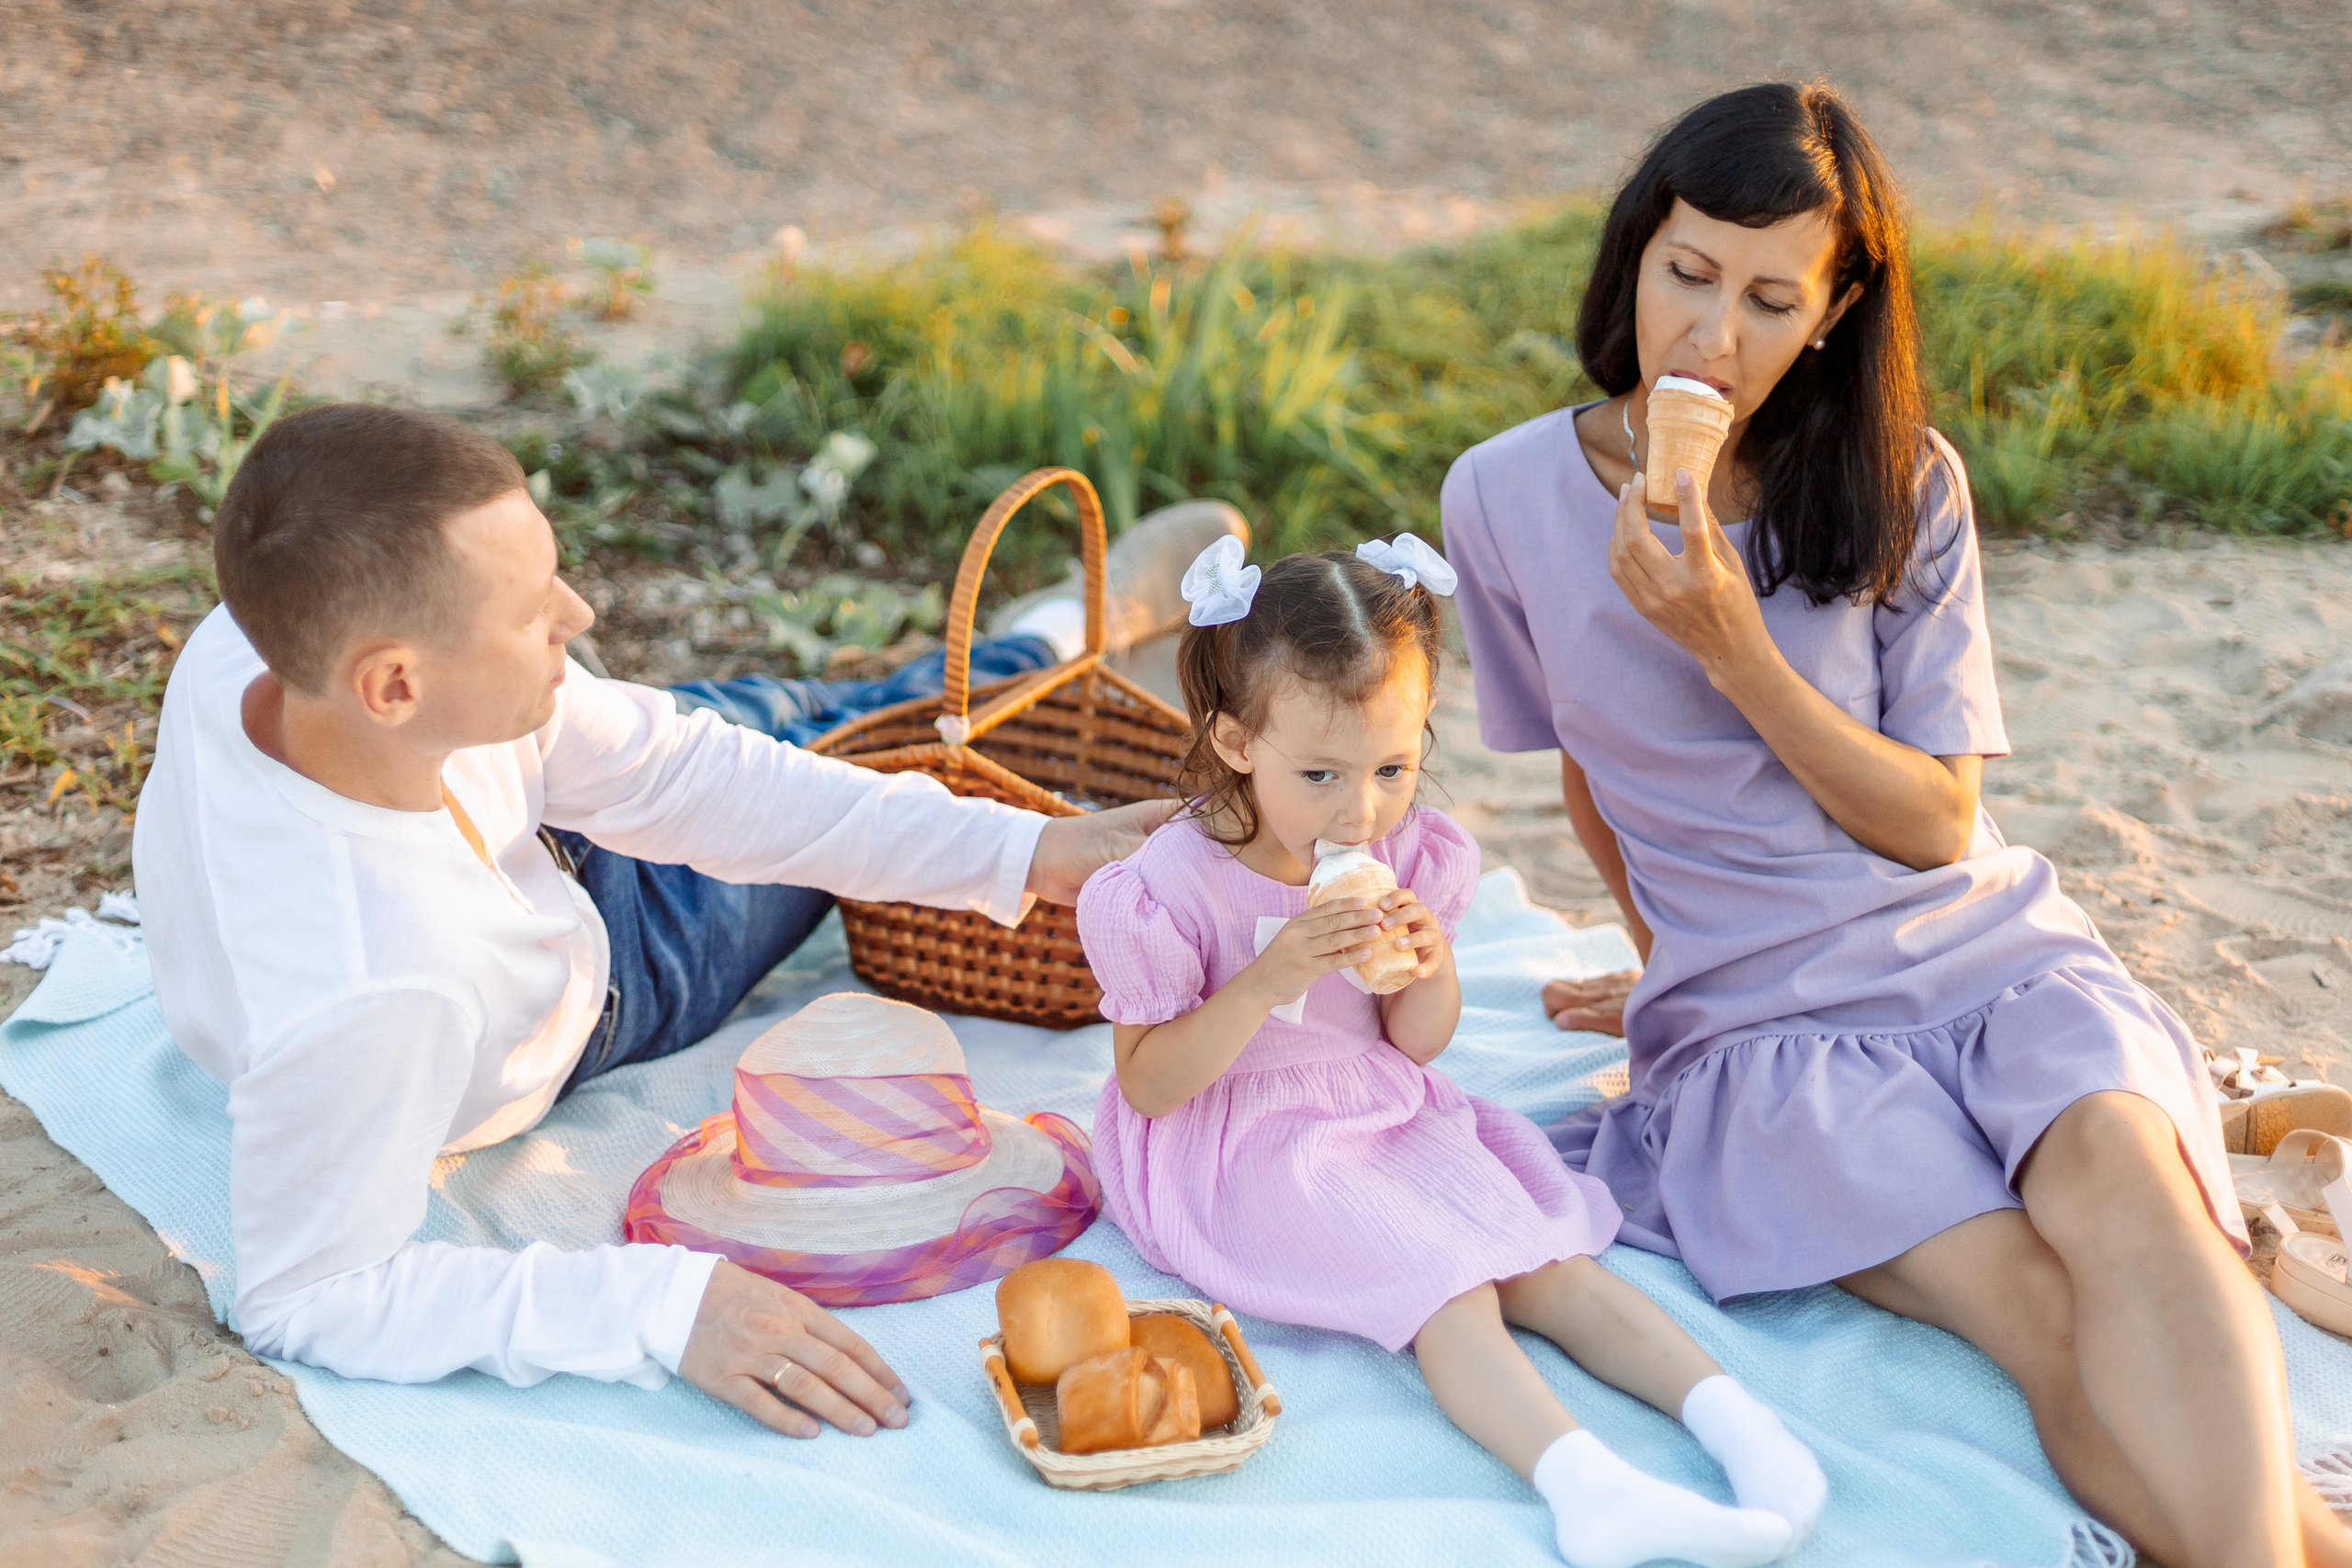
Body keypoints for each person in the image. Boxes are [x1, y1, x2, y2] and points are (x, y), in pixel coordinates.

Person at [1442, 83, 2344, 1568]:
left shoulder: (1904, 483)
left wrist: (1734, 642)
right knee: (2041, 1311)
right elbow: (1593, 780)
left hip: (1991, 954)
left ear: (1835, 310)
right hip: (1766, 1036)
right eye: (1688, 273)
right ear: (1636, 251)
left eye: (1769, 298)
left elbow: (1937, 823)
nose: (1712, 335)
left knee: (2148, 1214)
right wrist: (1667, 959)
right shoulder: (1500, 497)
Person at [130, 402, 1239, 1441]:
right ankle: (1049, 646)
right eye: (533, 611)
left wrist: (1025, 850)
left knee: (786, 723)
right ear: (393, 686)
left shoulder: (275, 626)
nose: (580, 616)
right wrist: (665, 1306)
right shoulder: (372, 986)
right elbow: (311, 1297)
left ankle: (1048, 641)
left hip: (534, 840)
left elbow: (676, 772)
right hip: (608, 973)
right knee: (869, 742)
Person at [1074, 540, 1826, 1568]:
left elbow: (1416, 1044)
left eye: (1391, 769)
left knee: (1540, 1259)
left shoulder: (1406, 851)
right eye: (1321, 775)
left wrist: (1426, 964)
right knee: (1449, 1287)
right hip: (1240, 1135)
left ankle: (1740, 1426)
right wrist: (1263, 980)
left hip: (1375, 1103)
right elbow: (1150, 1085)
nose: (1360, 811)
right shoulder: (1172, 884)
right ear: (1237, 741)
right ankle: (1589, 1488)